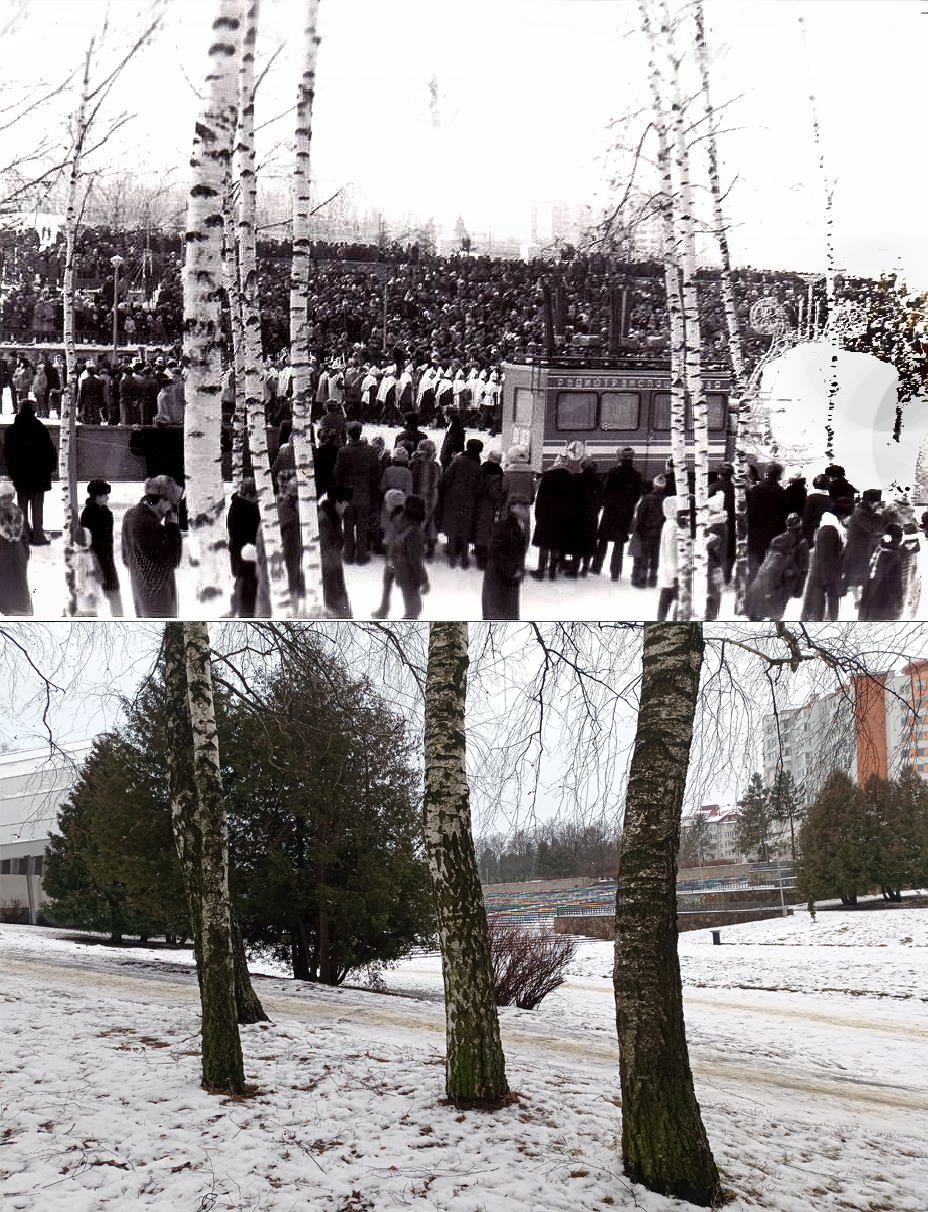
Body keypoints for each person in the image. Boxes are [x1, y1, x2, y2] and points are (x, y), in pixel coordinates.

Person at [121, 474, 183, 617]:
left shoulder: (130, 516)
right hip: (158, 602)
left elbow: (126, 560)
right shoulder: (148, 524)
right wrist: (172, 525)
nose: (171, 510)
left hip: (141, 596)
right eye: (171, 505)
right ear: (163, 501)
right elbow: (173, 559)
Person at [2, 401, 56, 545]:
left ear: (20, 410)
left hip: (21, 476)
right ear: (33, 411)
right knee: (37, 508)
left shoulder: (11, 430)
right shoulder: (40, 428)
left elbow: (7, 454)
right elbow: (50, 452)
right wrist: (49, 470)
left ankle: (24, 536)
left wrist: (12, 472)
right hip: (39, 476)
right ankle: (38, 535)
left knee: (22, 507)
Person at [743, 514, 810, 621]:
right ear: (800, 526)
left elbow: (767, 559)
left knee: (761, 607)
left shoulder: (777, 540)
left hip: (767, 577)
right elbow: (804, 567)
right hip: (787, 580)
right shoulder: (802, 542)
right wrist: (799, 589)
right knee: (777, 613)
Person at [592, 448, 642, 580]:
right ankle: (615, 573)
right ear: (632, 458)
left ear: (620, 458)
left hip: (610, 511)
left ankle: (596, 567)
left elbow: (604, 490)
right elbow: (637, 495)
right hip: (625, 513)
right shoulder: (637, 475)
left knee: (603, 540)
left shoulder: (613, 472)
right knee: (619, 543)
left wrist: (608, 502)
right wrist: (628, 505)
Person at [333, 422, 380, 564]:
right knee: (362, 526)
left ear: (348, 434)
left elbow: (337, 474)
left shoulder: (343, 451)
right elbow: (377, 471)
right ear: (360, 433)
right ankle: (361, 555)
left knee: (347, 526)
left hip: (347, 494)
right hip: (364, 492)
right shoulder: (370, 451)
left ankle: (348, 555)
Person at [438, 438, 483, 568]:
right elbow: (479, 486)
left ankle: (452, 558)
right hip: (469, 499)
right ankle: (464, 558)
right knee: (465, 528)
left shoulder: (458, 461)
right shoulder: (478, 466)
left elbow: (447, 477)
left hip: (452, 497)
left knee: (452, 527)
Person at [80, 478, 122, 616]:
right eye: (105, 495)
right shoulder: (88, 514)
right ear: (97, 496)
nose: (108, 498)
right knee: (93, 597)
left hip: (107, 560)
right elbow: (87, 542)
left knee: (113, 595)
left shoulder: (106, 513)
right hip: (94, 561)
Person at [482, 500, 529, 620]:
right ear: (512, 508)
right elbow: (495, 553)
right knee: (497, 616)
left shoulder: (520, 526)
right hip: (498, 580)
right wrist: (513, 570)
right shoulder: (503, 526)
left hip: (509, 580)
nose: (526, 509)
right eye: (522, 506)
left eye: (527, 506)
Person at [800, 510, 845, 621]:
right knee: (823, 611)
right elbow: (827, 558)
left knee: (814, 609)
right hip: (826, 577)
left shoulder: (823, 531)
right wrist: (828, 582)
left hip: (818, 576)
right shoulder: (829, 531)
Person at [746, 462, 788, 582]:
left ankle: (751, 592)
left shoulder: (757, 490)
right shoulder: (781, 492)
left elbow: (751, 512)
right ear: (779, 475)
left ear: (766, 473)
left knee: (754, 566)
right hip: (774, 533)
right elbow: (783, 516)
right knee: (771, 564)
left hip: (756, 533)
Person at [371, 488, 409, 618]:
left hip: (395, 557)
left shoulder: (396, 520)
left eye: (387, 502)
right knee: (390, 583)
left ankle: (386, 610)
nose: (385, 505)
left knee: (394, 583)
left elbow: (393, 540)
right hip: (398, 557)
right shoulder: (401, 517)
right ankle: (384, 609)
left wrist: (390, 560)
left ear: (392, 504)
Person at [842, 489, 884, 604]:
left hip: (860, 550)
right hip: (857, 552)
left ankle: (857, 600)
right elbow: (873, 528)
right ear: (871, 502)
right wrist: (879, 515)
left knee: (857, 577)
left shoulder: (864, 511)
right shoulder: (861, 513)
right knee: (855, 578)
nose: (878, 505)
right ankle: (855, 601)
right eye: (877, 503)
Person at [318, 484, 353, 619]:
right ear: (337, 502)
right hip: (328, 572)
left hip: (334, 569)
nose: (345, 508)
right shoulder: (325, 519)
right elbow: (325, 549)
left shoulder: (333, 516)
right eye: (344, 504)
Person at [227, 478, 260, 617]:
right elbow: (251, 536)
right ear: (248, 494)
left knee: (243, 594)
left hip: (241, 561)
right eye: (256, 495)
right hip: (247, 562)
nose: (258, 499)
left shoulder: (236, 506)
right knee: (248, 599)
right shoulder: (246, 510)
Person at [858, 523, 905, 621]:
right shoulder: (893, 556)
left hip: (869, 601)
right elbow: (896, 584)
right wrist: (899, 602)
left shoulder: (878, 550)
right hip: (884, 604)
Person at [628, 473, 666, 589]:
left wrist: (638, 531)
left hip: (646, 532)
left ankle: (641, 580)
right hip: (659, 533)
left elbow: (640, 516)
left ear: (654, 485)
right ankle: (653, 580)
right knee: (655, 557)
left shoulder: (647, 499)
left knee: (643, 557)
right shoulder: (666, 499)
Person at [0, 479, 31, 615]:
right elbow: (25, 538)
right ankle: (19, 609)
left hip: (2, 553)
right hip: (18, 553)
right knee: (19, 583)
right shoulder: (19, 512)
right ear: (13, 495)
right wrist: (24, 555)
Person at [410, 438, 441, 560]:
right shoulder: (435, 466)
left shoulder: (414, 464)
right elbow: (439, 479)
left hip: (417, 496)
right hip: (432, 497)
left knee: (417, 523)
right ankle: (431, 548)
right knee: (431, 521)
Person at [473, 449, 504, 570]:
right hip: (491, 503)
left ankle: (478, 549)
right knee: (487, 529)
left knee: (479, 527)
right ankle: (483, 554)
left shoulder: (482, 468)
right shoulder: (499, 472)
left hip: (480, 501)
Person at [656, 495, 680, 621]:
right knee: (676, 599)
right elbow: (672, 551)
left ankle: (661, 621)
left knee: (666, 596)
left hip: (667, 568)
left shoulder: (668, 523)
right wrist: (675, 571)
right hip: (672, 569)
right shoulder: (673, 527)